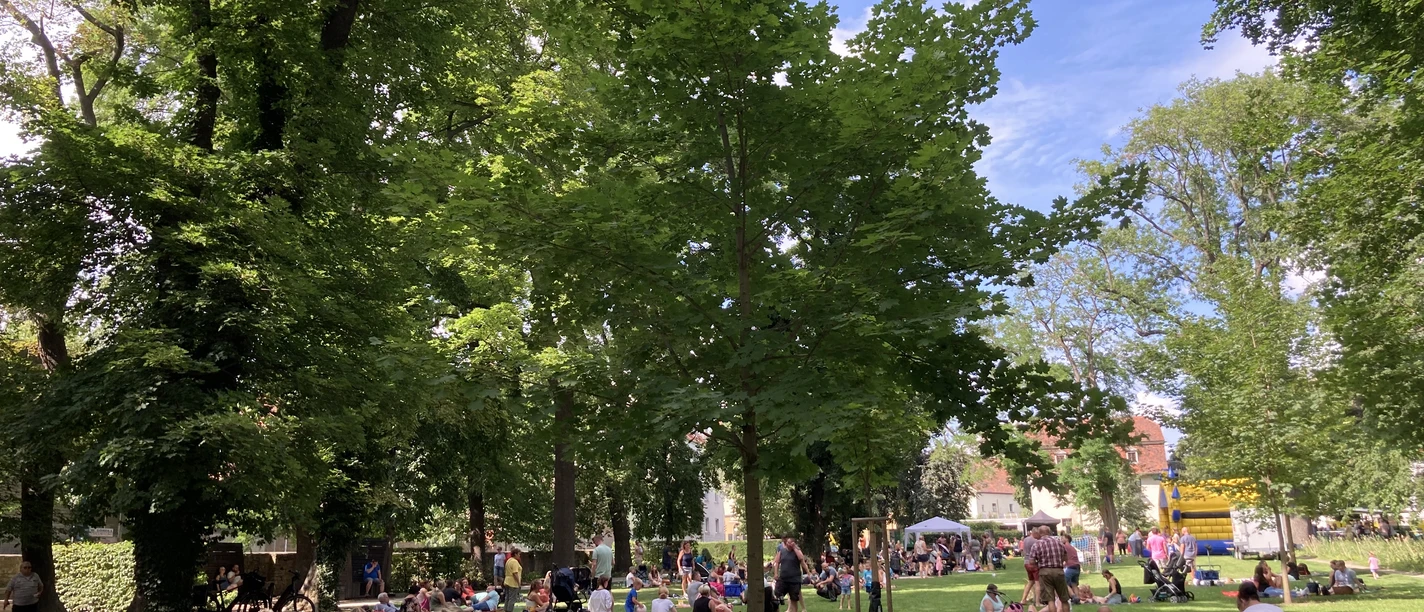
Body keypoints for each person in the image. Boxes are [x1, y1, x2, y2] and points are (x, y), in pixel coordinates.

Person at [1026, 526, 1070, 612]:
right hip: (1059, 571)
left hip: (1044, 572)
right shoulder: (1059, 543)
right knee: (1064, 599)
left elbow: (1031, 561)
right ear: (1049, 532)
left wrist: (1038, 564)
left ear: (1039, 533)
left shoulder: (1037, 544)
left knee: (1050, 600)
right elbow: (1066, 558)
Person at [773, 536, 810, 612]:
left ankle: (794, 610)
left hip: (794, 579)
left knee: (794, 598)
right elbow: (776, 563)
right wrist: (776, 573)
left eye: (790, 542)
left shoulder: (797, 551)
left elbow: (801, 559)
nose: (787, 544)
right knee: (777, 593)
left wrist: (794, 548)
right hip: (783, 578)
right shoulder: (782, 551)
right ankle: (781, 605)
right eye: (787, 542)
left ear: (793, 543)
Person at [1018, 528, 1041, 610]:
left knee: (1031, 581)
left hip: (1026, 562)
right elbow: (1038, 553)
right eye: (1039, 534)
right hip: (1033, 563)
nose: (1039, 536)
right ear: (1035, 533)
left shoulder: (1025, 539)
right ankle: (1037, 602)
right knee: (1038, 582)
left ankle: (1023, 599)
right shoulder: (1036, 541)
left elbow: (1024, 551)